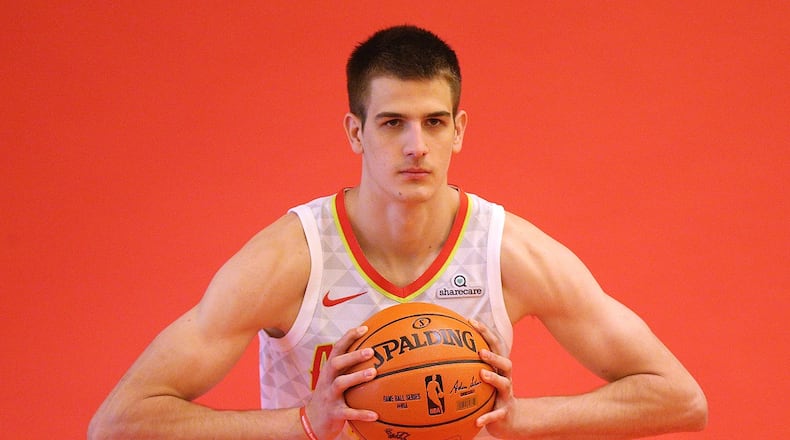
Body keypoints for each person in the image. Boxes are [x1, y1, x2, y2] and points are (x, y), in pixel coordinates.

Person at [89, 25, 707, 439]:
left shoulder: (507, 251)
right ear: (356, 133)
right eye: (392, 123)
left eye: (434, 122)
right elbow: (121, 421)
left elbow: (680, 397)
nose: (416, 146)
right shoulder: (292, 258)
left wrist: (520, 420)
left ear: (459, 130)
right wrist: (304, 422)